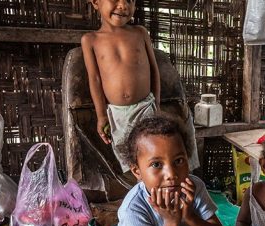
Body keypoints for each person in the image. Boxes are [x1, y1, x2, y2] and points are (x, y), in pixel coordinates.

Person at [107, 114, 225, 226]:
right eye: (156, 164)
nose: (171, 174)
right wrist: (172, 222)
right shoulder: (134, 206)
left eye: (178, 161)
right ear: (137, 171)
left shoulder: (194, 188)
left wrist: (191, 218)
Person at [81, 0, 199, 173]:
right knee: (133, 162)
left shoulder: (139, 33)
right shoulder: (90, 40)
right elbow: (95, 80)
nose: (123, 5)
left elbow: (153, 70)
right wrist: (101, 116)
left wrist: (156, 104)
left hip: (146, 108)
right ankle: (144, 195)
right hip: (118, 115)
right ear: (95, 2)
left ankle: (164, 191)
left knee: (156, 154)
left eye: (129, 0)